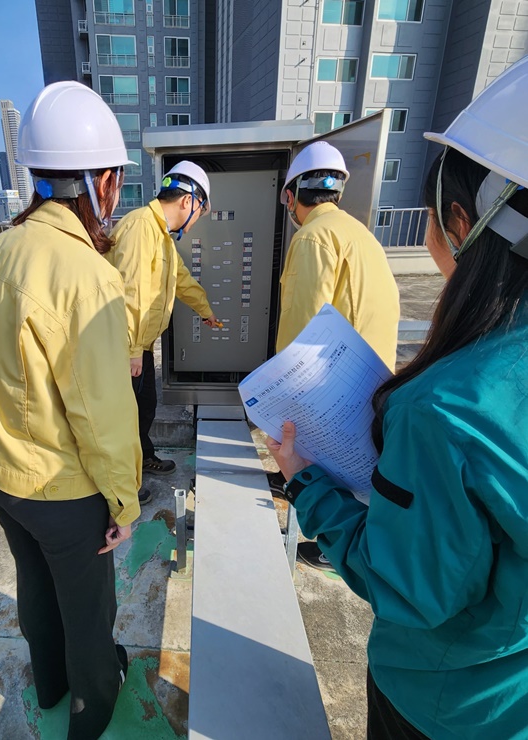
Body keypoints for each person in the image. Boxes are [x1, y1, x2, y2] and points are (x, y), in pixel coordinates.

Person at [266, 56, 528, 739]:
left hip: (445, 702)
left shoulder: (445, 408)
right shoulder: (359, 233)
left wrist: (299, 473)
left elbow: (297, 347)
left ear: (463, 223)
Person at [0, 81, 142, 740]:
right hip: (61, 491)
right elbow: (103, 412)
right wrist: (124, 501)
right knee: (89, 611)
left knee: (34, 584)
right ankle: (93, 713)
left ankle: (52, 681)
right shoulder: (86, 274)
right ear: (106, 182)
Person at [269, 141, 400, 571]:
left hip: (336, 381)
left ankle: (332, 544)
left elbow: (301, 333)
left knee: (329, 457)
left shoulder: (312, 237)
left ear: (291, 195)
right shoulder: (361, 234)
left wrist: (276, 399)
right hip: (375, 377)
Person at [107, 161, 220, 481]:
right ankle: (121, 482)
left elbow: (181, 280)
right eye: (200, 211)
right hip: (124, 345)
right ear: (188, 201)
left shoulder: (161, 236)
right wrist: (133, 349)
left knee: (144, 409)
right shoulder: (142, 227)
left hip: (138, 345)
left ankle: (142, 459)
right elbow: (131, 294)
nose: (196, 220)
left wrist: (205, 311)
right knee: (123, 417)